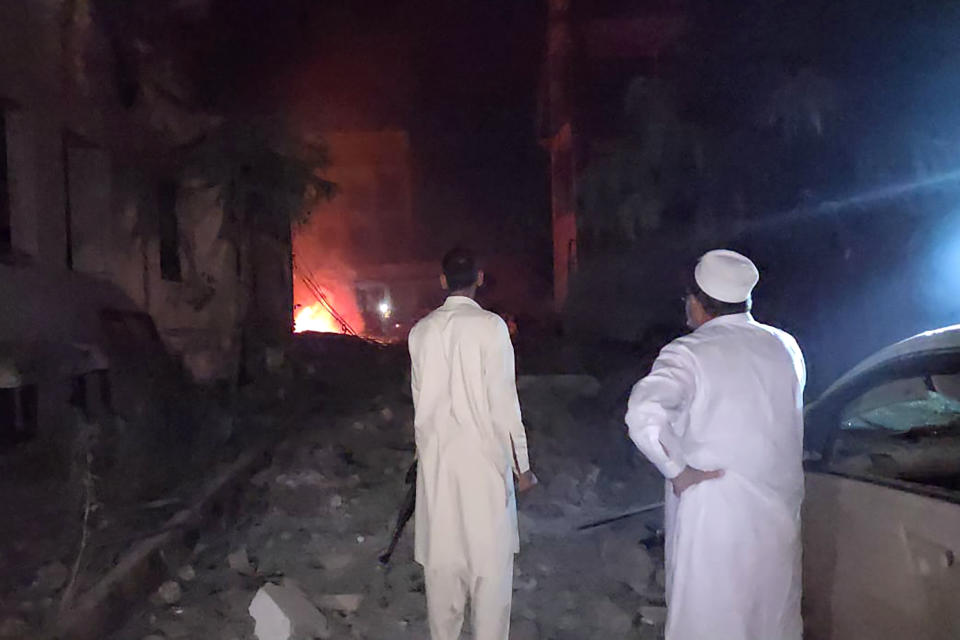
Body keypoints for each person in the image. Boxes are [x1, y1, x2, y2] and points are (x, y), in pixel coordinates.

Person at [625, 249, 806, 640]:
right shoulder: (785, 348)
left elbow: (643, 414)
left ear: (696, 302)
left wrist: (677, 470)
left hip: (714, 523)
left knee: (708, 623)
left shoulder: (688, 353)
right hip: (776, 523)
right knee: (770, 621)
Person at [408, 247, 538, 640]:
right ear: (479, 278)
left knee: (443, 590)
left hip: (439, 476)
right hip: (484, 474)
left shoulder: (420, 333)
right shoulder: (492, 328)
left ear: (443, 280)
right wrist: (523, 467)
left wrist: (421, 461)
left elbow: (420, 410)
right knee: (489, 586)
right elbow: (504, 405)